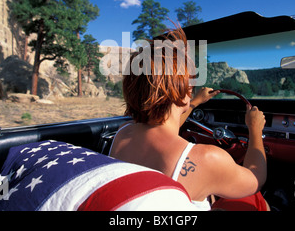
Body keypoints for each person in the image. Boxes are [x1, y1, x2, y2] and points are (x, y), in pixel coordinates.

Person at [109, 27, 268, 211]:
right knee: (254, 198)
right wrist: (255, 129)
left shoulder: (123, 134)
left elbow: (165, 129)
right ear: (186, 91)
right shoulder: (207, 159)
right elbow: (256, 178)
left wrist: (193, 103)